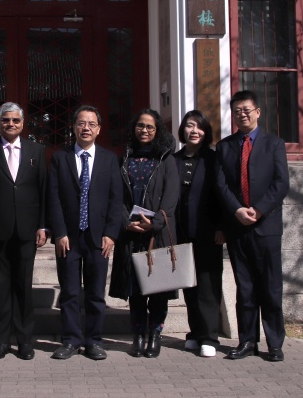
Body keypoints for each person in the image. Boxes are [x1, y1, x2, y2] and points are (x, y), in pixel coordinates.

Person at [215, 90, 290, 363]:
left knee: (270, 288)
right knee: (244, 288)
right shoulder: (224, 147)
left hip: (266, 227)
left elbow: (281, 183)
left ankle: (275, 343)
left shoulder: (274, 144)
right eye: (237, 111)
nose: (242, 115)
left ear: (258, 112)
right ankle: (247, 340)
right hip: (238, 227)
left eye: (246, 110)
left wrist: (258, 210)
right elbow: (220, 184)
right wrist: (237, 210)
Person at [0, 102, 48, 361]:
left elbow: (43, 190)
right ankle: (2, 342)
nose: (11, 124)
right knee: (1, 287)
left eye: (15, 120)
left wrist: (43, 225)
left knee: (24, 287)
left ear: (23, 124)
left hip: (27, 230)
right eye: (6, 120)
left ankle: (25, 342)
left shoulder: (37, 150)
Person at [47, 104, 122, 361]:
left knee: (95, 293)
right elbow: (53, 198)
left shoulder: (109, 159)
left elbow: (115, 199)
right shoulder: (60, 158)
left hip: (98, 237)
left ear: (99, 129)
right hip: (68, 237)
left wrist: (111, 233)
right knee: (69, 292)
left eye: (91, 124)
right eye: (81, 123)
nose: (86, 128)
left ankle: (94, 341)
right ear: (73, 127)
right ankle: (70, 340)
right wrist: (59, 232)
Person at [109, 109, 180, 358]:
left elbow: (171, 198)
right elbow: (116, 196)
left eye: (150, 127)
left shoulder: (166, 159)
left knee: (157, 288)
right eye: (140, 126)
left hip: (156, 234)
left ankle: (155, 335)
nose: (145, 130)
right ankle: (138, 335)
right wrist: (124, 222)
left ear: (157, 130)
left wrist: (155, 222)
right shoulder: (125, 158)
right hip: (132, 232)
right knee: (135, 289)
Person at [175, 109, 225, 359]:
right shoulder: (173, 159)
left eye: (199, 126)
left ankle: (209, 337)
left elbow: (223, 195)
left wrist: (222, 227)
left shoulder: (214, 159)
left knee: (208, 285)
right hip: (181, 232)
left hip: (208, 232)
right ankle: (194, 333)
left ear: (206, 131)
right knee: (189, 286)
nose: (194, 131)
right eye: (189, 125)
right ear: (182, 130)